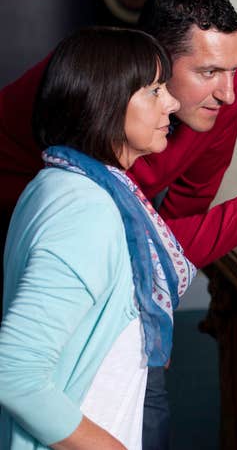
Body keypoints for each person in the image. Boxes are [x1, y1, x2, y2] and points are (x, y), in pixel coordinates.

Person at [0, 0, 237, 449]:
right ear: (144, 66)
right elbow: (15, 369)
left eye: (235, 71)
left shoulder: (212, 98)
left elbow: (167, 235)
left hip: (101, 223)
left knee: (136, 384)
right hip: (48, 219)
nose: (228, 92)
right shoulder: (78, 192)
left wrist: (155, 313)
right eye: (208, 72)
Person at [0, 26, 187, 449]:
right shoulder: (85, 210)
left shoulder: (59, 182)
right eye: (155, 90)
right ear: (106, 101)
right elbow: (14, 369)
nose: (172, 103)